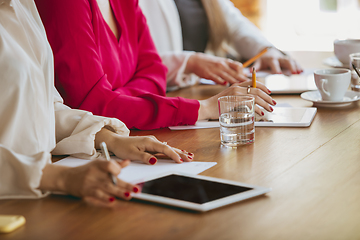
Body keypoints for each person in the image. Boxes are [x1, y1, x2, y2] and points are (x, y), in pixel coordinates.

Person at [0, 0, 193, 208]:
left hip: (38, 198)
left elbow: (42, 107)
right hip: (19, 198)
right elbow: (92, 99)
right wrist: (58, 177)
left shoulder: (20, 6)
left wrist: (108, 137)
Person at [34, 0, 276, 131]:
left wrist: (115, 100)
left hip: (128, 134)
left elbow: (154, 71)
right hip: (83, 153)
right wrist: (204, 109)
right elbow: (91, 108)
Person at [139, 0, 303, 90]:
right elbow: (131, 62)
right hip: (158, 96)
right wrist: (188, 62)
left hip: (195, 92)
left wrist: (265, 50)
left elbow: (235, 25)